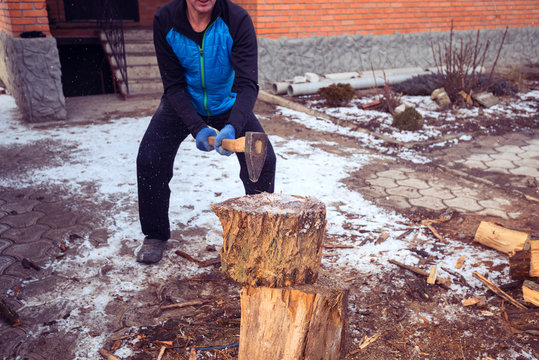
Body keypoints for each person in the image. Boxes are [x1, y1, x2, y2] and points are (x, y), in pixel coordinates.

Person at [135, 0, 276, 264]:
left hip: (229, 102)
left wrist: (233, 125)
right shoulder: (165, 20)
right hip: (183, 103)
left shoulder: (237, 20)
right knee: (150, 159)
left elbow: (247, 84)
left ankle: (259, 235)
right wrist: (197, 126)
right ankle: (154, 235)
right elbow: (173, 85)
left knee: (264, 160)